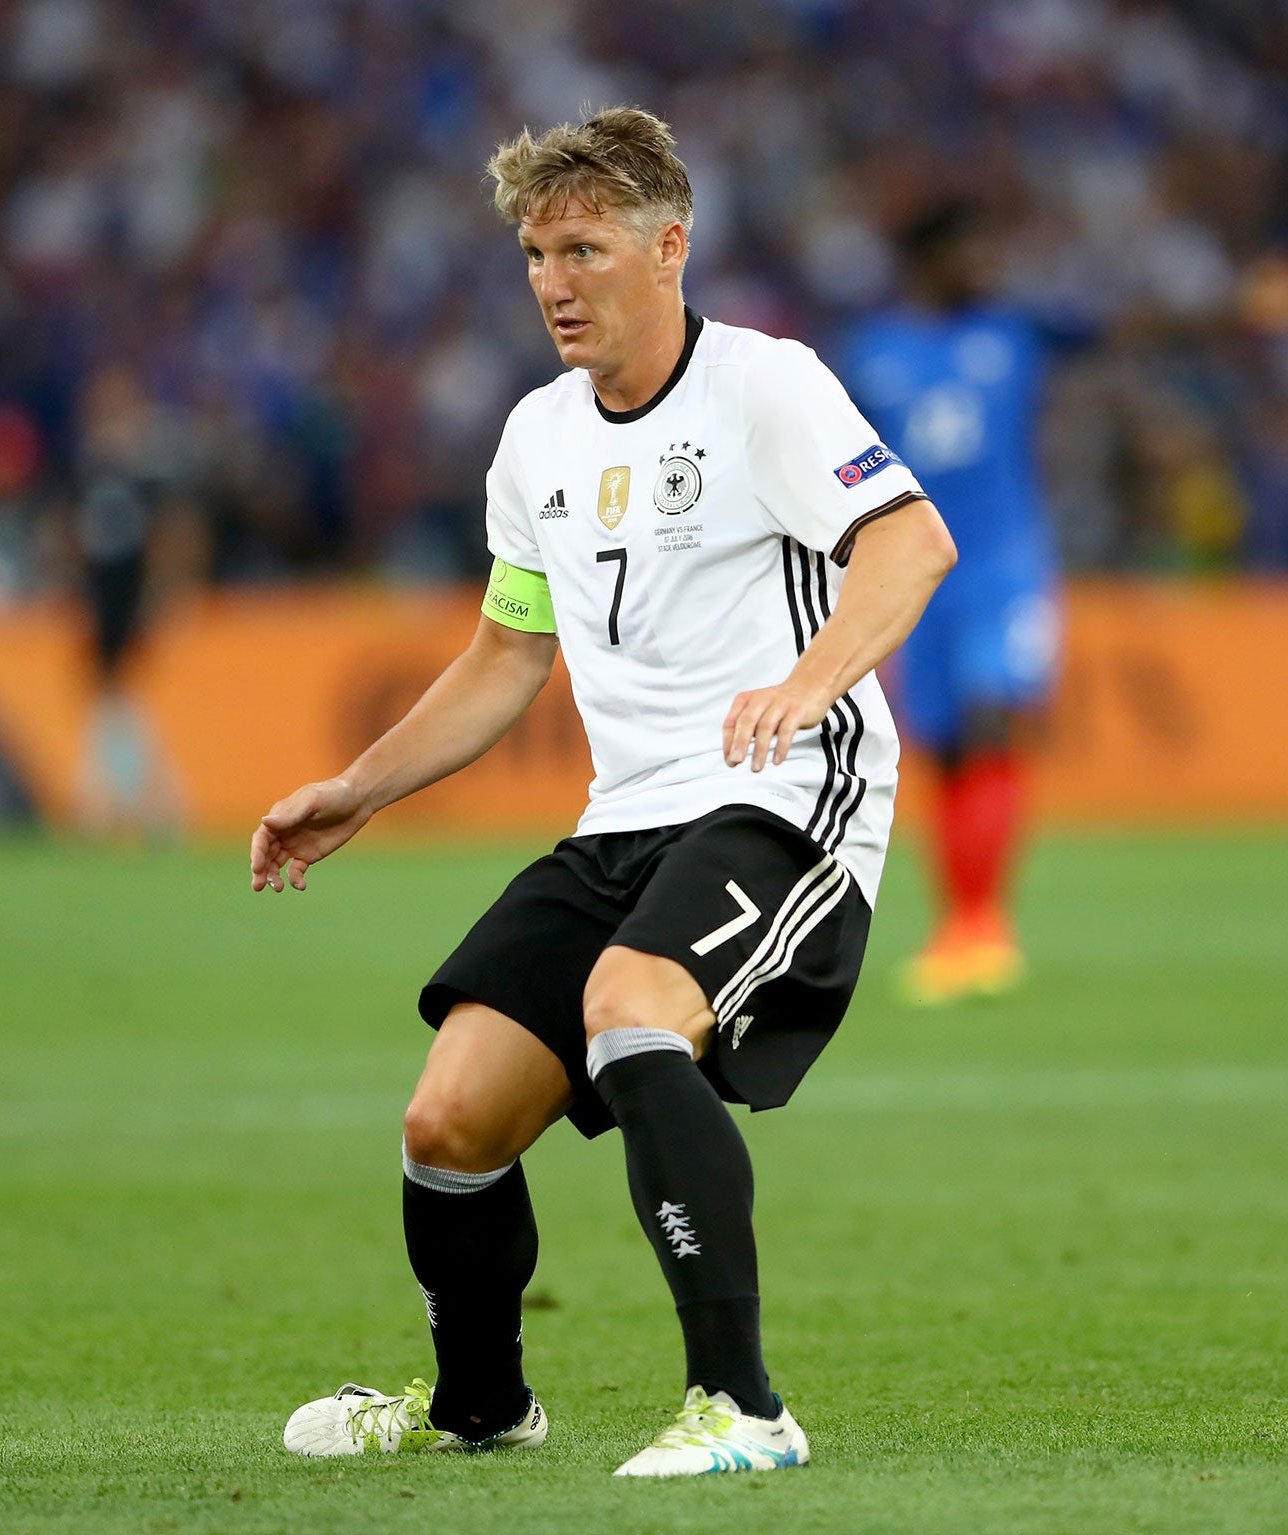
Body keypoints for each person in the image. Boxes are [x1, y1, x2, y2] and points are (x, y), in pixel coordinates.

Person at [250, 108, 955, 1477]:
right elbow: (508, 655)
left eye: (582, 247)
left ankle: (744, 1406)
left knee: (633, 1009)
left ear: (668, 246)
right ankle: (480, 1402)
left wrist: (809, 686)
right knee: (448, 1119)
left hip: (784, 794)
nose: (553, 282)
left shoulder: (766, 385)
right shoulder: (535, 439)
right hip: (621, 815)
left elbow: (910, 545)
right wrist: (358, 787)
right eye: (532, 253)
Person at [837, 202, 1061, 1004]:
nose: (987, 265)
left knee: (992, 721)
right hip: (918, 576)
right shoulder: (874, 353)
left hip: (1004, 569)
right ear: (929, 259)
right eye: (971, 249)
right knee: (945, 749)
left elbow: (1137, 325)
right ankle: (960, 927)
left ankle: (985, 928)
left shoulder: (1018, 333)